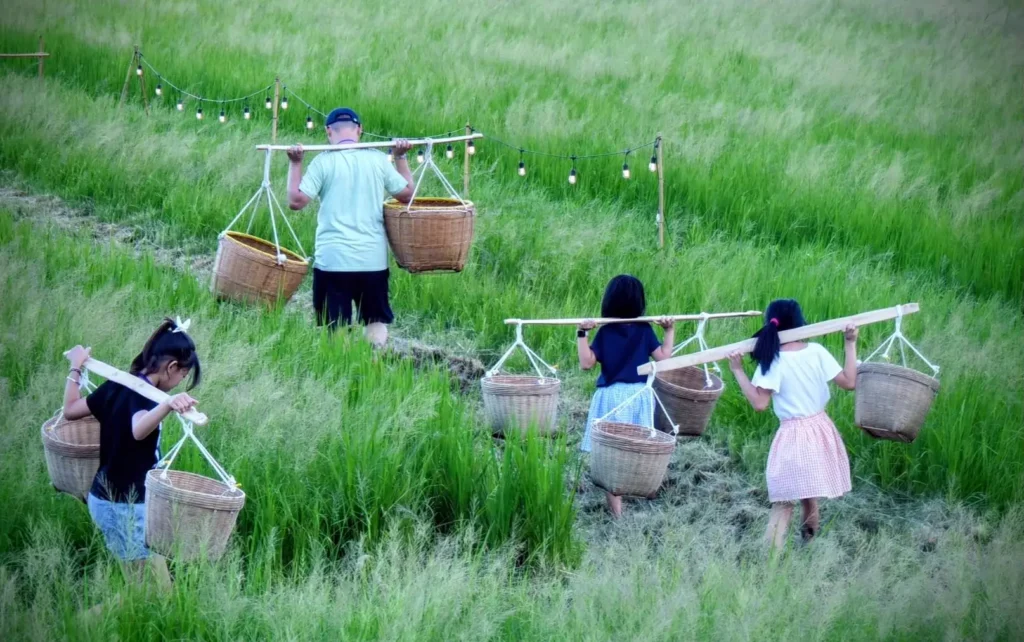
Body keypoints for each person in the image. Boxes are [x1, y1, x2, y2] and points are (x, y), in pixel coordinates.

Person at [62, 318, 201, 590]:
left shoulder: (119, 384)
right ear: (172, 367)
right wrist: (168, 405)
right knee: (153, 597)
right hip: (124, 507)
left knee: (153, 592)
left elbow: (71, 409)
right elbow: (139, 428)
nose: (179, 383)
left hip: (108, 499)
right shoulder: (148, 397)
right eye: (183, 377)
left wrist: (76, 366)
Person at [727, 299, 858, 551]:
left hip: (794, 436)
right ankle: (808, 546)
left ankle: (770, 561)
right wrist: (850, 343)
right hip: (820, 430)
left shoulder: (773, 360)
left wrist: (738, 370)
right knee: (810, 496)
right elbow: (849, 382)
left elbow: (759, 403)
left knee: (783, 502)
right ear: (800, 322)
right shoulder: (816, 351)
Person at [287, 107, 416, 348]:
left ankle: (342, 370)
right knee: (375, 321)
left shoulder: (322, 162)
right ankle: (373, 364)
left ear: (328, 131)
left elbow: (296, 201)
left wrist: (295, 163)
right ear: (359, 130)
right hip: (372, 260)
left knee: (335, 327)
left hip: (333, 260)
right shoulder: (378, 159)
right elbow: (407, 194)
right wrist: (401, 157)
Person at [577, 274, 675, 518]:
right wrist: (669, 330)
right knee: (635, 448)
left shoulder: (608, 331)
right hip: (638, 395)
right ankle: (636, 492)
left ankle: (617, 509)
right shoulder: (644, 330)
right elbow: (664, 358)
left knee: (613, 454)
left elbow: (586, 363)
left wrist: (582, 334)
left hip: (612, 397)